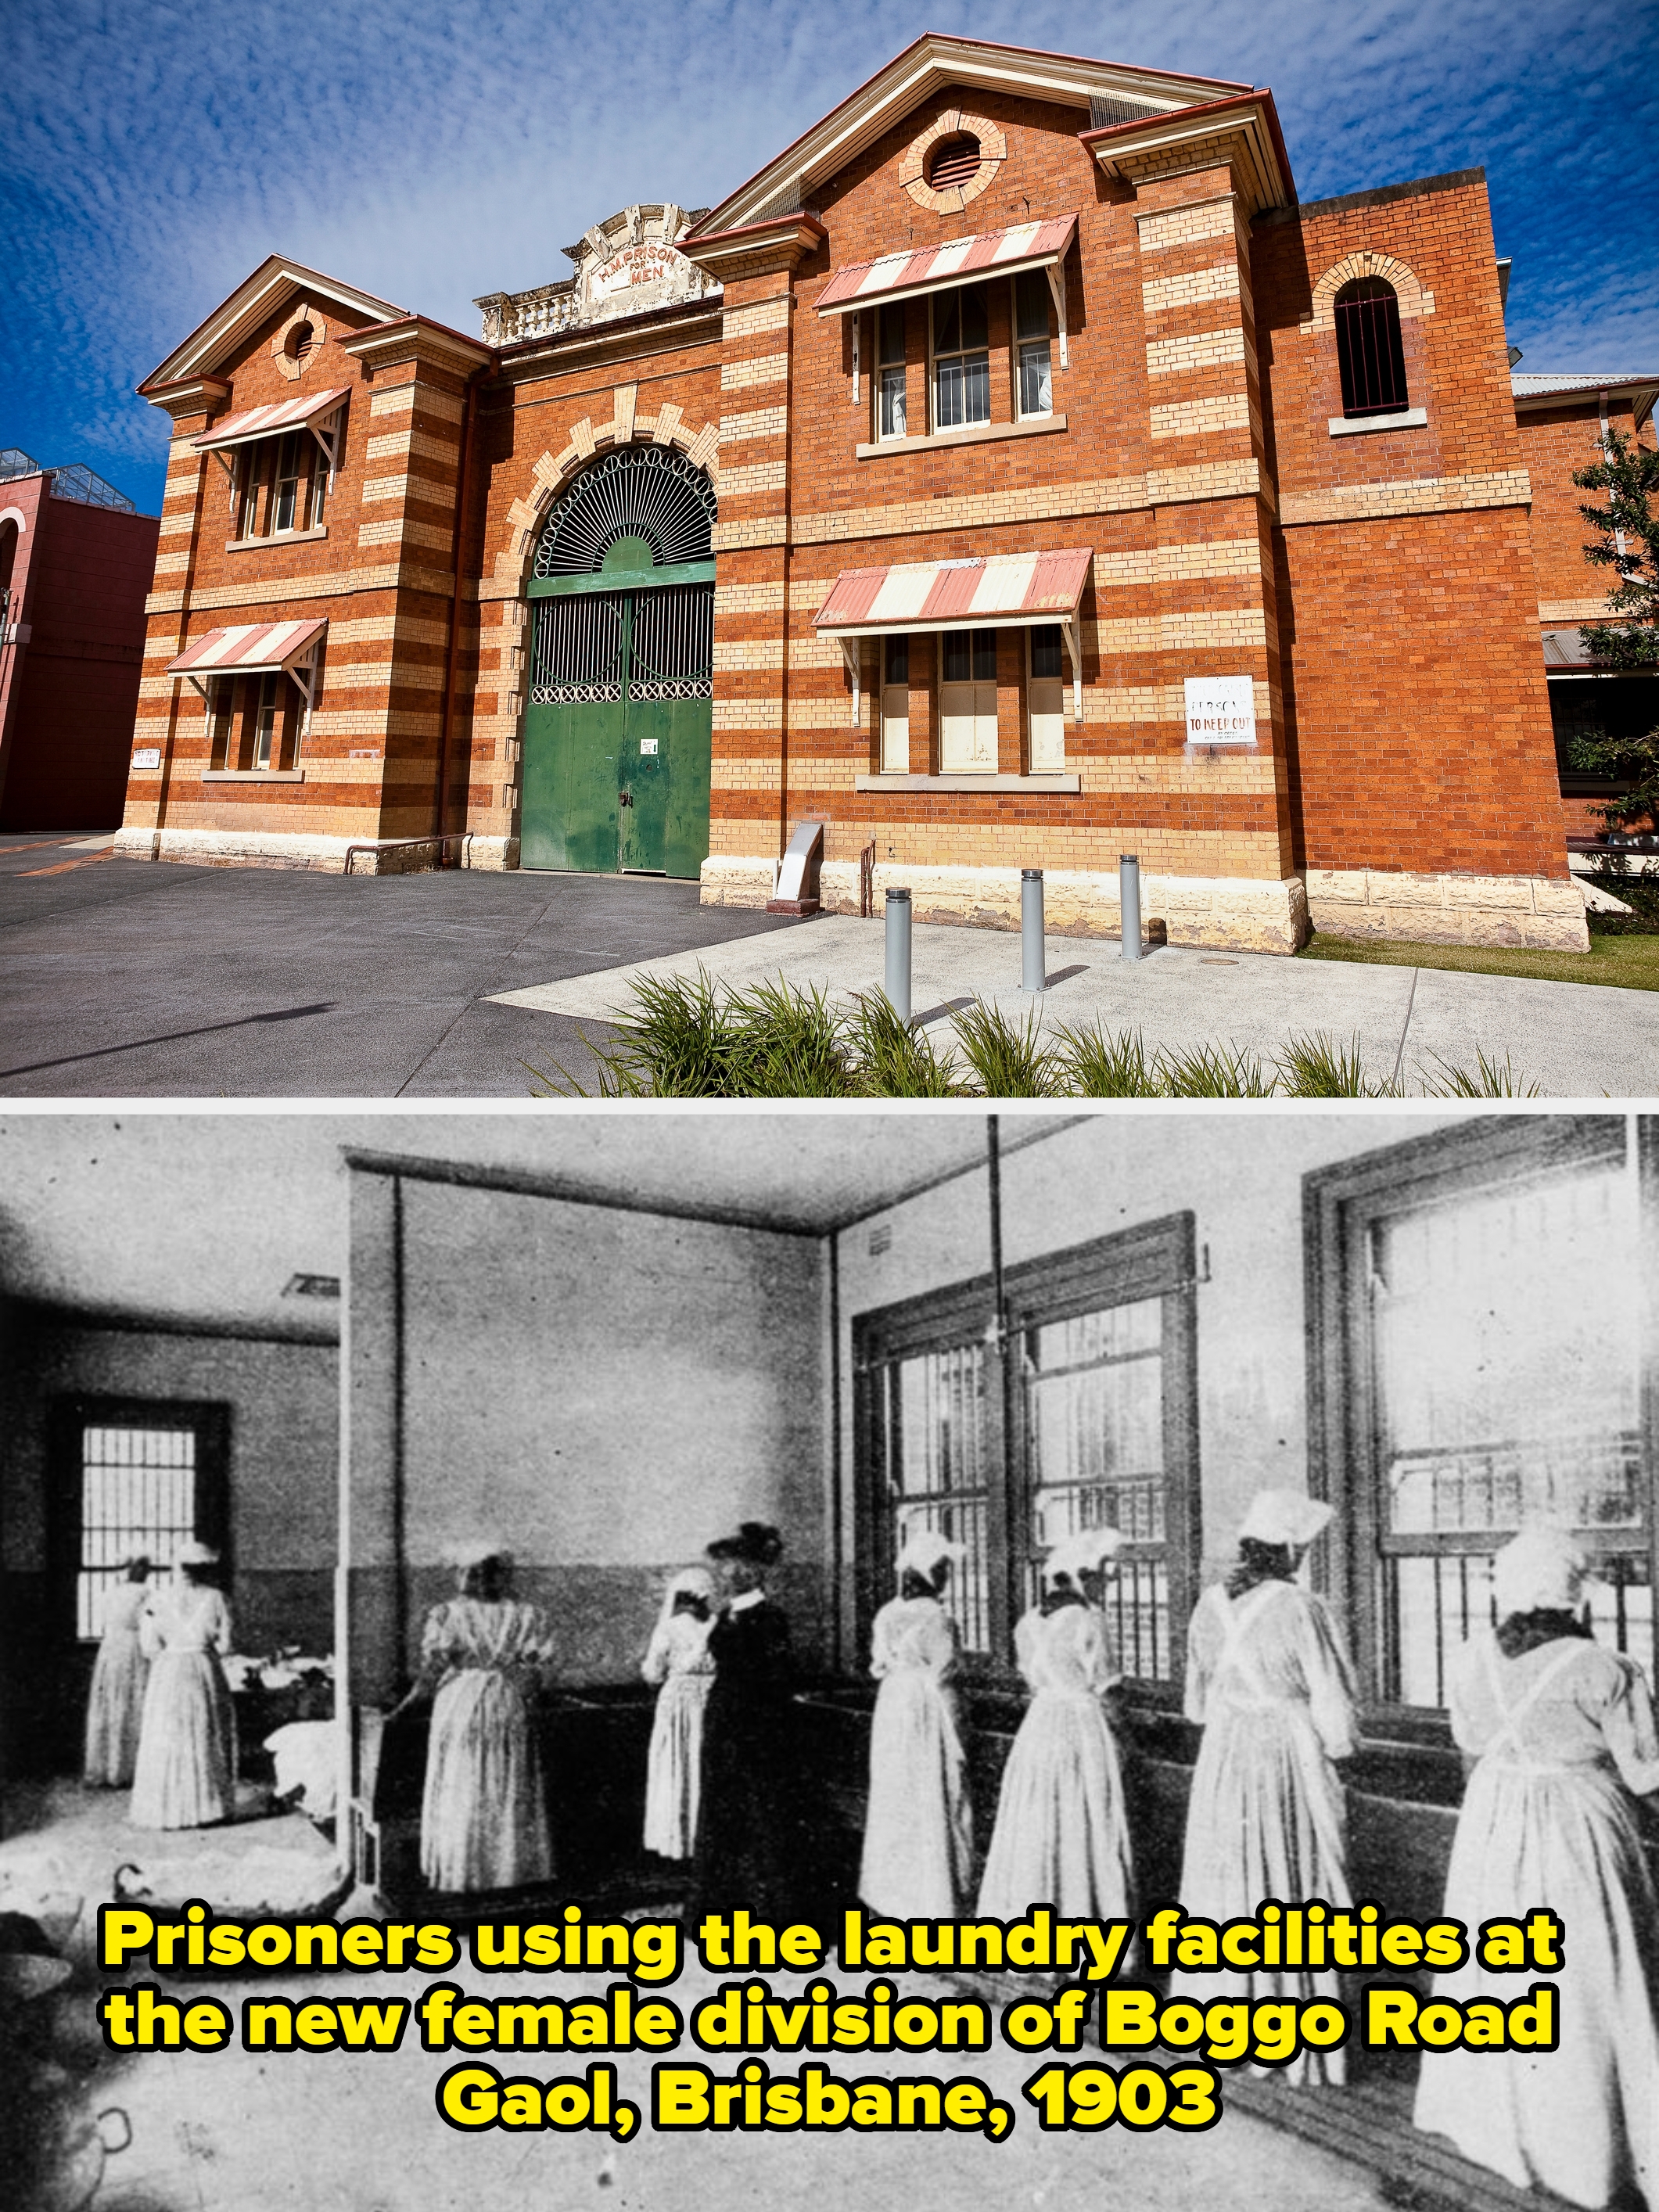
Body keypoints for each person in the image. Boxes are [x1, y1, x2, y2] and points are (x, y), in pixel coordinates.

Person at [1413, 1523, 1659, 2211]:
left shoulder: (1467, 1659)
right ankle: (1586, 2149)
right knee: (1583, 1977)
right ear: (1573, 1595)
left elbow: (1470, 1756)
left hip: (1494, 1823)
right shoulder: (1604, 1667)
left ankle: (1500, 2129)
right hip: (1576, 1823)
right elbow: (1645, 1776)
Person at [1173, 1488, 1356, 2086]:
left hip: (1225, 1752)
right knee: (1285, 1875)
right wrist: (1337, 1750)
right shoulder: (1302, 1607)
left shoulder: (1207, 1606)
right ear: (1287, 1551)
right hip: (1283, 1749)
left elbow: (1196, 1705)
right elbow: (1332, 1702)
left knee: (1229, 1878)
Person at [977, 1528, 1133, 1923]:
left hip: (1040, 1727)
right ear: (1082, 1576)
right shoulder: (1090, 1621)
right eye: (1100, 1577)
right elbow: (1108, 1692)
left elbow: (1034, 1683)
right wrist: (1127, 1740)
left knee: (1039, 1820)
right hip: (1082, 1727)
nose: (1105, 1586)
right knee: (1086, 1819)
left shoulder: (1027, 1623)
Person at [404, 1546, 554, 1894]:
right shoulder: (528, 1615)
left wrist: (403, 1710)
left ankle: (465, 1871)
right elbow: (534, 1677)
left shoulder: (448, 1615)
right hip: (506, 1700)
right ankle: (508, 1871)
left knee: (464, 1781)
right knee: (506, 1780)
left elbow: (431, 1673)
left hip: (461, 1702)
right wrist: (526, 1701)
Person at [692, 1521, 806, 1923]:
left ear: (750, 1571)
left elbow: (780, 1677)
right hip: (723, 1720)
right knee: (722, 1810)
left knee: (760, 1813)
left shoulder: (771, 1618)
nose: (723, 1574)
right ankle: (718, 1906)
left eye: (729, 1566)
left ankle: (769, 1912)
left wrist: (756, 1717)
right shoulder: (726, 1616)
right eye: (722, 1567)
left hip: (756, 1727)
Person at [859, 1529, 974, 1919]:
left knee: (896, 1799)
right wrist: (958, 1735)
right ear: (931, 1572)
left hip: (893, 1706)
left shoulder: (887, 1612)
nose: (946, 1577)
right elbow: (945, 1678)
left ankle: (890, 1896)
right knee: (930, 1793)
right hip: (925, 1708)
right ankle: (929, 1902)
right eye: (943, 1569)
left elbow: (879, 1661)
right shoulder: (937, 1618)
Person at [129, 1542, 237, 1829]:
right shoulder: (216, 1597)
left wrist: (174, 1647)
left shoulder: (156, 1600)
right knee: (203, 1733)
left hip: (169, 1671)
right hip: (203, 1668)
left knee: (168, 1736)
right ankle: (206, 1809)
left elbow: (149, 1647)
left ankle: (169, 1809)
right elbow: (226, 1646)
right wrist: (201, 1645)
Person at [641, 1566, 718, 1861]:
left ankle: (683, 1838)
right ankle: (700, 1838)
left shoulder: (669, 1628)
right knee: (699, 1762)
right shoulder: (716, 1624)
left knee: (683, 1763)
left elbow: (652, 1672)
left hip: (681, 1699)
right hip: (708, 1699)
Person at [84, 1556, 152, 1787]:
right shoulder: (146, 1593)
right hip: (134, 1647)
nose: (144, 1571)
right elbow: (150, 1626)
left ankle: (111, 1768)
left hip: (111, 1647)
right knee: (134, 1701)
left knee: (114, 1702)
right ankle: (129, 1769)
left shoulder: (110, 1593)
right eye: (143, 1567)